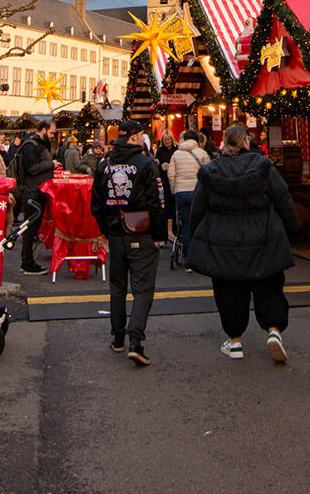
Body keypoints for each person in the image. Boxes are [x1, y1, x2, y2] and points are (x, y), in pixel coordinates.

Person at [186, 124, 299, 365]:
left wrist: (196, 236)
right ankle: (273, 330)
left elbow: (197, 209)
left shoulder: (210, 171)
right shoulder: (264, 168)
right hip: (263, 236)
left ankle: (234, 340)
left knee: (229, 291)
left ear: (224, 144)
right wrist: (292, 229)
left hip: (223, 239)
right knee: (268, 285)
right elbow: (283, 199)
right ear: (246, 142)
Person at [90, 119, 162, 366]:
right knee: (143, 289)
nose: (144, 139)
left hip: (115, 234)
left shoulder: (104, 164)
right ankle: (136, 341)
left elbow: (96, 204)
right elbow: (157, 202)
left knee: (117, 287)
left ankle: (118, 337)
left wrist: (106, 231)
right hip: (141, 232)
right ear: (133, 137)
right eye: (141, 135)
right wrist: (158, 235)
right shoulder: (146, 164)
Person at [14, 119, 56, 274]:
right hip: (33, 192)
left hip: (37, 190)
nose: (52, 136)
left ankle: (29, 261)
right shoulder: (31, 146)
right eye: (51, 133)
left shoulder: (37, 144)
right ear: (44, 130)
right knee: (30, 229)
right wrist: (51, 165)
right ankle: (27, 263)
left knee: (33, 228)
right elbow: (32, 168)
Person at [166, 130, 209, 260]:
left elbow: (171, 174)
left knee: (185, 225)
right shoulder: (202, 153)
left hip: (181, 192)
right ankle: (199, 254)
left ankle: (188, 257)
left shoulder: (176, 154)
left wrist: (174, 190)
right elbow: (208, 174)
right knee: (199, 223)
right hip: (198, 192)